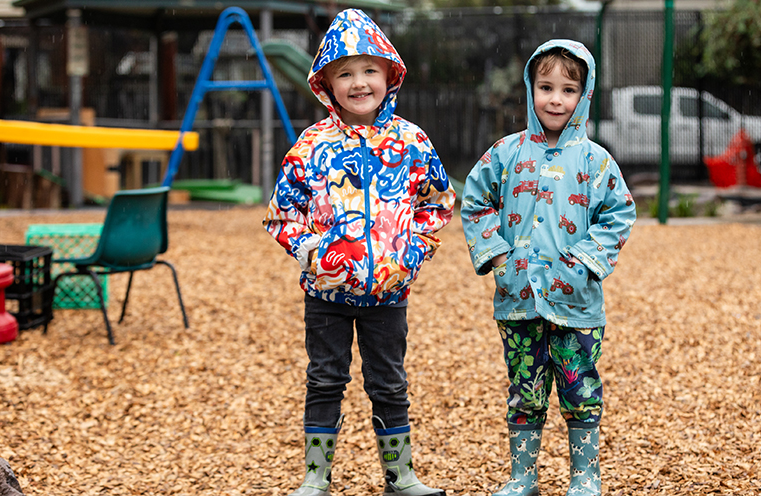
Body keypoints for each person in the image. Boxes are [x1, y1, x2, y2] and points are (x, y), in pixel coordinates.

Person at [262, 9, 454, 496]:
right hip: (325, 294)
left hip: (388, 293)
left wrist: (411, 253)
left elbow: (438, 202)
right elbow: (281, 214)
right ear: (325, 83)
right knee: (325, 379)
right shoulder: (311, 145)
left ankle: (401, 476)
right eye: (344, 73)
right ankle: (315, 477)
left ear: (390, 74)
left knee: (389, 383)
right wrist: (313, 254)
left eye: (369, 69)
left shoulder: (411, 141)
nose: (359, 82)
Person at [460, 39, 636, 496]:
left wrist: (585, 262)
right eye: (545, 87)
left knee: (580, 391)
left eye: (568, 90)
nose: (555, 99)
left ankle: (585, 476)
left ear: (584, 95)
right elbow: (474, 202)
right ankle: (523, 477)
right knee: (525, 390)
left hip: (576, 303)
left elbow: (620, 214)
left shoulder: (597, 161)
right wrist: (497, 255)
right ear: (530, 89)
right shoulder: (505, 153)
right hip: (518, 300)